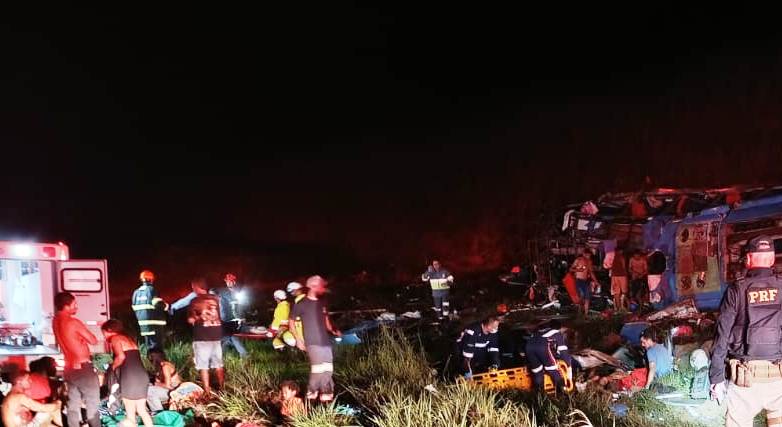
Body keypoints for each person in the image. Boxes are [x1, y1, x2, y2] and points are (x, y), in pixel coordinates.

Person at [710, 236, 782, 426]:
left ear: (748, 259)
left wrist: (716, 377)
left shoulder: (737, 289)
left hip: (744, 381)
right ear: (772, 259)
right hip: (779, 381)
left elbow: (722, 335)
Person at [289, 275, 341, 403]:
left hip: (325, 341)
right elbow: (291, 322)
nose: (323, 289)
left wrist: (333, 330)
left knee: (328, 368)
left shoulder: (322, 303)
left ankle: (326, 393)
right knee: (318, 369)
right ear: (312, 286)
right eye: (321, 286)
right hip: (312, 342)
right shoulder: (302, 304)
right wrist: (298, 340)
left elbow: (326, 320)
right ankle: (311, 393)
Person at [52, 292, 100, 427]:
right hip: (83, 368)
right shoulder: (73, 322)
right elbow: (93, 340)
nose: (77, 307)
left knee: (72, 404)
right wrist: (82, 339)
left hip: (69, 368)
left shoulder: (55, 321)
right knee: (92, 403)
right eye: (74, 304)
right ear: (66, 306)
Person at [101, 319, 153, 427]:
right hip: (142, 376)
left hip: (130, 378)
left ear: (109, 330)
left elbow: (121, 357)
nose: (104, 336)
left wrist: (112, 368)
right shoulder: (129, 339)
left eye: (104, 333)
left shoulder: (115, 338)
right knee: (142, 410)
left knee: (130, 415)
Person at [188, 289, 224, 394]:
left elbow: (191, 320)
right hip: (216, 336)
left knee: (203, 366)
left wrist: (197, 318)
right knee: (218, 365)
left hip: (202, 338)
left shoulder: (195, 301)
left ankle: (207, 391)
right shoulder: (216, 299)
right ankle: (222, 389)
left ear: (195, 287)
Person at [525, 320, 571, 394]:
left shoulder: (539, 332)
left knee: (537, 371)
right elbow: (563, 351)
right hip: (542, 346)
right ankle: (564, 393)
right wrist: (568, 364)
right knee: (553, 369)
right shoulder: (556, 333)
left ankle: (540, 394)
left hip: (529, 346)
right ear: (561, 328)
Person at [211, 273, 248, 358]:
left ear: (234, 282)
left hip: (237, 319)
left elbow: (242, 306)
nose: (228, 283)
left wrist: (242, 317)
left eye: (230, 281)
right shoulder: (223, 293)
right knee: (229, 336)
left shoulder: (239, 293)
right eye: (227, 281)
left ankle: (220, 355)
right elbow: (221, 307)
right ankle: (243, 354)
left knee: (229, 337)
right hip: (227, 319)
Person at [131, 270, 169, 350]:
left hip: (143, 325)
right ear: (151, 279)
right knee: (157, 348)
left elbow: (134, 307)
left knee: (149, 347)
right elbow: (157, 304)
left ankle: (150, 358)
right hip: (156, 325)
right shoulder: (151, 290)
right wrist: (166, 306)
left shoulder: (136, 293)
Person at [146, 348, 182, 413]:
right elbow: (158, 382)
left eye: (152, 356)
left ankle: (159, 412)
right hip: (166, 390)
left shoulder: (165, 366)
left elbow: (168, 386)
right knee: (144, 388)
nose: (150, 358)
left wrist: (155, 383)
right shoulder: (158, 367)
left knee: (149, 391)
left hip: (174, 390)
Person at [570, 249, 598, 315]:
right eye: (587, 255)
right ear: (584, 254)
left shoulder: (589, 261)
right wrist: (578, 270)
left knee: (587, 298)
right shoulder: (578, 260)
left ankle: (586, 314)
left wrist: (596, 281)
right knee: (581, 297)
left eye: (589, 255)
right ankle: (580, 312)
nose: (588, 256)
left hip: (586, 281)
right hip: (579, 280)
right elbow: (571, 269)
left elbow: (591, 272)